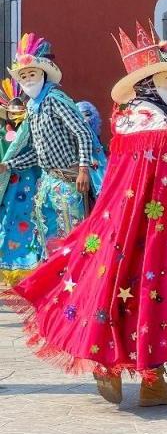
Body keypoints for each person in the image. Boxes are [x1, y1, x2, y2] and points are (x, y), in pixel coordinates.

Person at [0, 21, 167, 406]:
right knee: (153, 295)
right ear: (150, 85)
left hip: (117, 223)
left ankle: (110, 367)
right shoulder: (162, 129)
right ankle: (153, 382)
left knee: (112, 288)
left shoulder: (125, 122)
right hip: (153, 229)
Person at [0, 33, 107, 287]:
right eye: (23, 75)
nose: (28, 79)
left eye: (32, 73)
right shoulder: (33, 107)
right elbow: (37, 153)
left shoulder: (55, 100)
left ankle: (80, 284)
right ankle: (58, 285)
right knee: (48, 236)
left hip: (69, 181)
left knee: (71, 233)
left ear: (43, 74)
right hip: (48, 182)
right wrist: (9, 164)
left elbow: (82, 133)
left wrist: (83, 169)